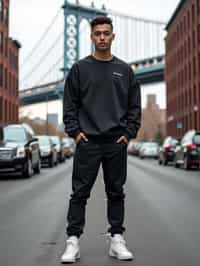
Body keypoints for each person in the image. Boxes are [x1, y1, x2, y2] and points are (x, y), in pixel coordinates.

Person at [61, 16, 141, 263]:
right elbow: (69, 105)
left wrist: (128, 133)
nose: (102, 37)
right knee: (79, 194)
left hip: (115, 142)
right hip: (88, 142)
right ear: (92, 36)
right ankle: (72, 242)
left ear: (113, 36)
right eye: (98, 33)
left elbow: (134, 107)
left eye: (107, 33)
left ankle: (116, 239)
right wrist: (76, 132)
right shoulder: (79, 69)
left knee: (116, 192)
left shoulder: (125, 70)